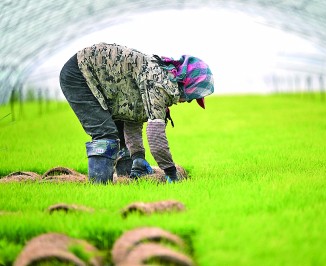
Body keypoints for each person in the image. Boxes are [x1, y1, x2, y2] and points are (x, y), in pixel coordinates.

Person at [59, 43, 214, 183]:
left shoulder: (161, 79)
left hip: (99, 80)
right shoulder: (160, 84)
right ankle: (99, 186)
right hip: (80, 74)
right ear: (187, 84)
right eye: (191, 97)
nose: (187, 101)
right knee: (105, 133)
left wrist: (138, 157)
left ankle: (125, 179)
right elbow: (155, 136)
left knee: (120, 136)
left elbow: (133, 117)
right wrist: (171, 172)